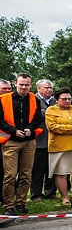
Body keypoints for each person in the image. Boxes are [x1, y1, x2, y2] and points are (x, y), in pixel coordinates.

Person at [1, 73, 43, 215]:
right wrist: (13, 131)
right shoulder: (3, 99)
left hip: (29, 141)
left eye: (26, 84)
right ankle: (9, 205)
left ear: (31, 85)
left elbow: (38, 118)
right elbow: (0, 121)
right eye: (21, 84)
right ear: (15, 83)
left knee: (26, 175)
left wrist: (29, 128)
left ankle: (21, 203)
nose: (24, 87)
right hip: (11, 141)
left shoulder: (34, 99)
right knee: (10, 175)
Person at [44, 88, 72, 206]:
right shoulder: (50, 110)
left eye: (69, 98)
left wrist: (70, 128)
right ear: (57, 100)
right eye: (64, 99)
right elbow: (53, 127)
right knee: (61, 172)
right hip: (59, 146)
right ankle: (64, 197)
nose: (67, 101)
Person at [30, 79, 57, 201]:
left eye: (51, 87)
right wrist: (53, 113)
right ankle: (36, 194)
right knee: (37, 169)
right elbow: (37, 114)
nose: (49, 90)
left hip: (53, 140)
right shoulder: (32, 100)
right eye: (46, 87)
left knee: (52, 168)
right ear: (38, 88)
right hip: (39, 140)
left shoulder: (54, 100)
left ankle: (50, 192)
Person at [0, 79, 10, 179]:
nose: (7, 91)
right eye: (4, 89)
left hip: (8, 140)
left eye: (9, 89)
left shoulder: (10, 102)